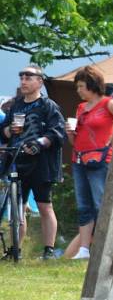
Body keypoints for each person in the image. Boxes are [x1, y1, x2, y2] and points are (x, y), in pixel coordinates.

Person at [0, 64, 65, 259]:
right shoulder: (15, 105)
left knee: (44, 205)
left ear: (39, 82)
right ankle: (15, 250)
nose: (24, 81)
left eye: (29, 77)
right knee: (17, 207)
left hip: (41, 163)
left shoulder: (48, 106)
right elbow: (3, 133)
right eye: (22, 77)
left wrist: (39, 144)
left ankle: (48, 250)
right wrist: (10, 130)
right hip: (17, 160)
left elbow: (57, 132)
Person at [66, 66, 113, 259]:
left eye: (81, 86)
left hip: (100, 159)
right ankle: (84, 249)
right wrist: (70, 133)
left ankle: (107, 246)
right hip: (79, 158)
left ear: (92, 85)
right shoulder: (81, 108)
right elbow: (75, 141)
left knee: (101, 203)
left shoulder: (109, 103)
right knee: (84, 206)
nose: (78, 91)